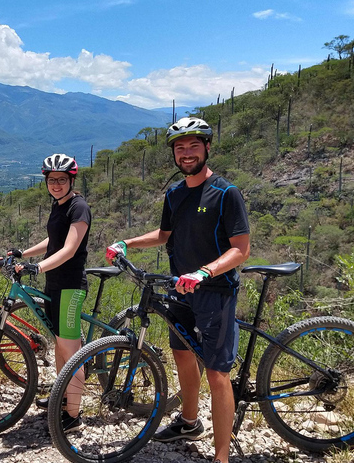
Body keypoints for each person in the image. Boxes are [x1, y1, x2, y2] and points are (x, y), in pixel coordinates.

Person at [105, 118, 250, 463]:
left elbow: (241, 249)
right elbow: (164, 235)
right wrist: (126, 242)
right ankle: (188, 422)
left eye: (193, 146)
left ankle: (222, 456)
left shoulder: (226, 193)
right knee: (183, 356)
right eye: (180, 148)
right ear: (174, 153)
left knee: (217, 372)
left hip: (216, 290)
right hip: (180, 289)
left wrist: (204, 271)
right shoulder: (175, 193)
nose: (187, 153)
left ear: (207, 148)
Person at [11, 153, 91, 433]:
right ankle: (63, 397)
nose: (56, 184)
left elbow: (69, 249)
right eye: (52, 179)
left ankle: (74, 415)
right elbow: (53, 241)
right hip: (54, 284)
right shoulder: (59, 205)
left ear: (71, 180)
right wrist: (25, 253)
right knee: (59, 346)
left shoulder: (79, 207)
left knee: (71, 352)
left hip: (70, 286)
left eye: (61, 179)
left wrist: (37, 268)